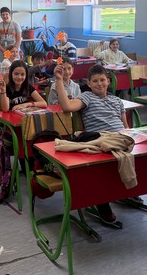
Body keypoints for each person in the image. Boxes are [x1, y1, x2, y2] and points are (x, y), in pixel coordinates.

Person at [53, 63, 128, 224]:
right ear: (88, 83)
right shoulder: (87, 97)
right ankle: (102, 203)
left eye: (102, 80)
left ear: (108, 80)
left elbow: (126, 127)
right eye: (95, 81)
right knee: (102, 168)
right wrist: (59, 80)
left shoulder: (117, 100)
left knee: (139, 156)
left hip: (120, 139)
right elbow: (67, 106)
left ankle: (128, 190)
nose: (99, 84)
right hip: (100, 140)